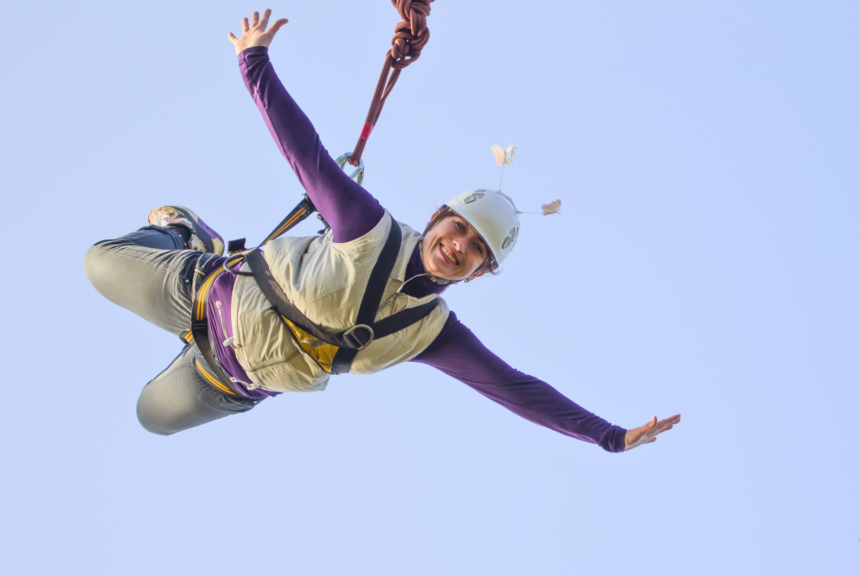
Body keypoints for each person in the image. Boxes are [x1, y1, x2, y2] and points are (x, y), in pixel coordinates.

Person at [83, 9, 679, 452]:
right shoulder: (367, 228)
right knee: (97, 261)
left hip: (231, 379)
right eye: (458, 229)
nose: (457, 247)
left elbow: (517, 389)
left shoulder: (433, 334)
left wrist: (610, 437)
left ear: (478, 274)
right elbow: (304, 152)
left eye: (473, 252)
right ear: (438, 218)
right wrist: (253, 60)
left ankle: (198, 288)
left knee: (149, 416)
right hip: (205, 292)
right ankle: (190, 238)